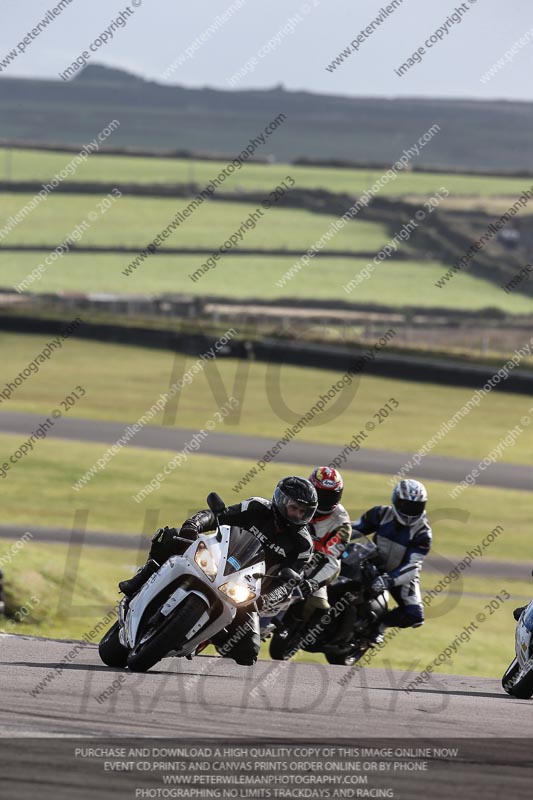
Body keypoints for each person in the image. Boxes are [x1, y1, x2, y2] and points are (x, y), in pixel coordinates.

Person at [119, 476, 317, 665]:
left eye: (303, 512)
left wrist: (267, 599)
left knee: (248, 652)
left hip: (246, 592)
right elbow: (218, 516)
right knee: (170, 537)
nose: (298, 515)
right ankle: (141, 577)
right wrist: (194, 524)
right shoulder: (257, 507)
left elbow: (289, 582)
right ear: (281, 501)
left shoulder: (303, 545)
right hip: (218, 560)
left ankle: (205, 635)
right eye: (294, 508)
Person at [350, 478, 432, 643]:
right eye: (405, 505)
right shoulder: (380, 513)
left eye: (415, 507)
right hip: (371, 562)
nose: (409, 512)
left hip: (400, 574)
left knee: (415, 615)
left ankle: (380, 626)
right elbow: (353, 529)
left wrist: (388, 580)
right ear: (396, 501)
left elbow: (412, 566)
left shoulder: (423, 533)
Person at [298, 467, 351, 620]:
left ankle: (292, 634)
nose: (324, 501)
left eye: (330, 496)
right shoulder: (296, 501)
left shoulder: (341, 524)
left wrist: (311, 583)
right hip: (282, 554)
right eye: (320, 494)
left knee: (319, 607)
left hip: (311, 567)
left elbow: (333, 562)